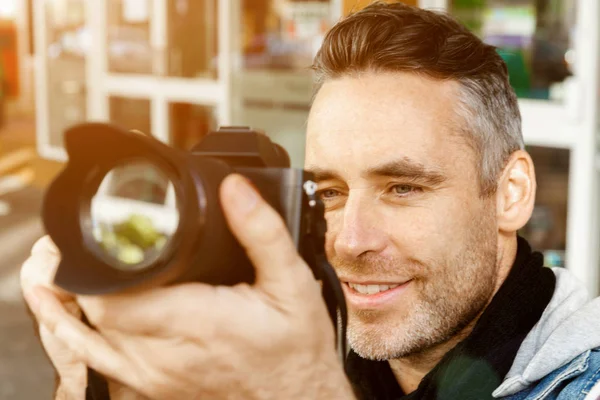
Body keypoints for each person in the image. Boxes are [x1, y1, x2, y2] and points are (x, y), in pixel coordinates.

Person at [20, 2, 600, 399]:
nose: (349, 239)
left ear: (511, 193)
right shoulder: (300, 334)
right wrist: (89, 381)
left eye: (403, 188)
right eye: (329, 191)